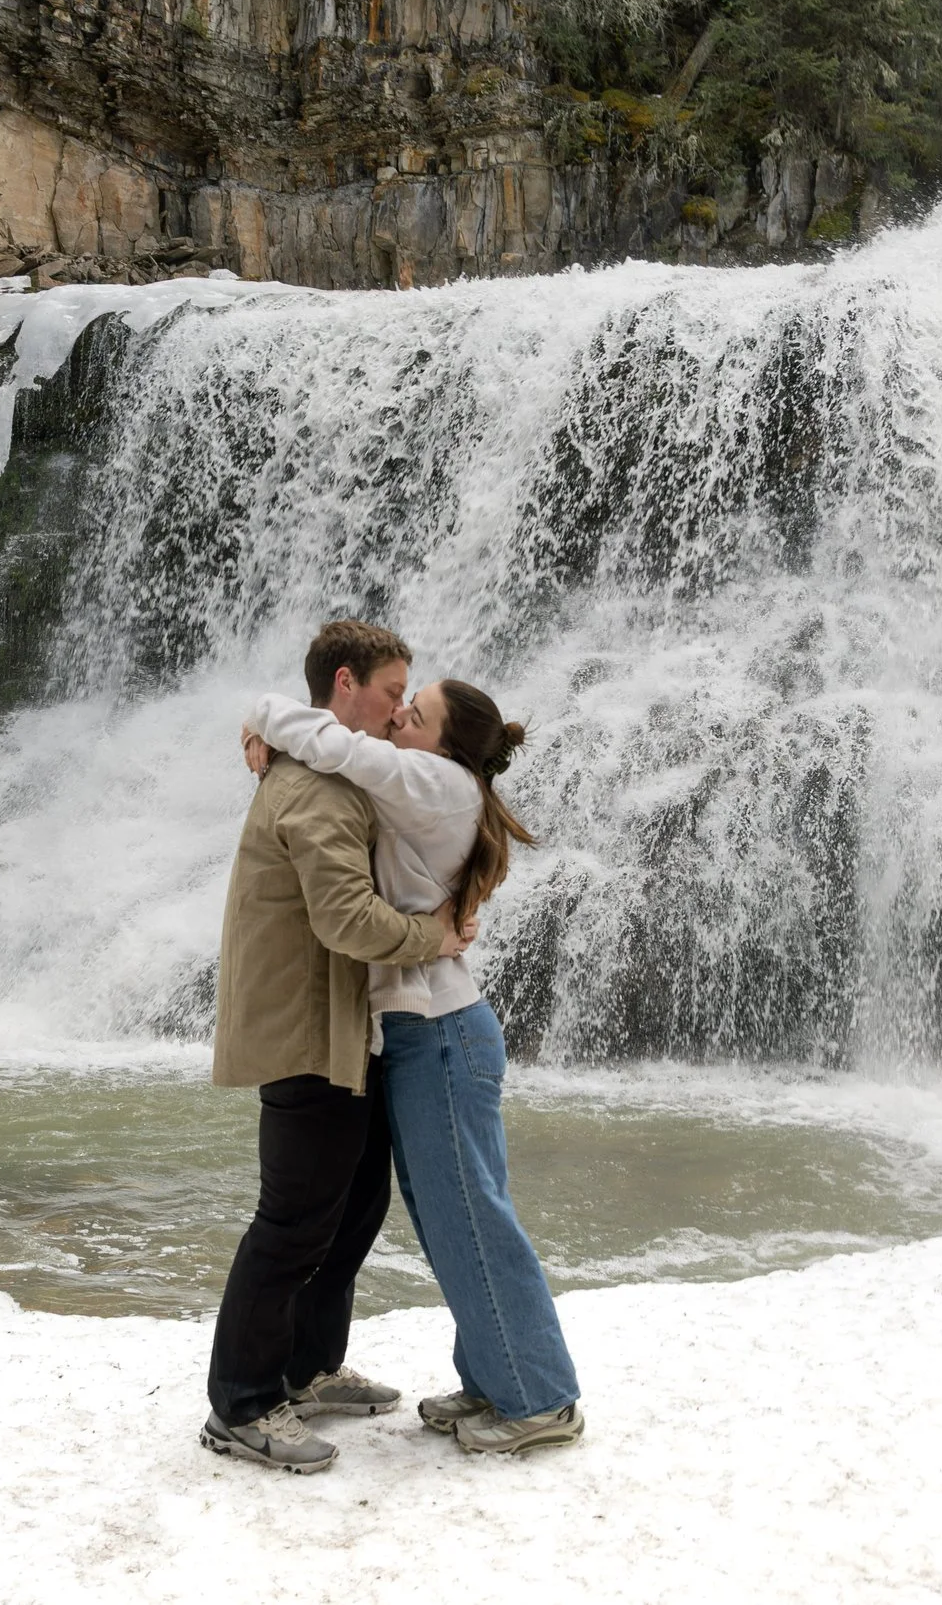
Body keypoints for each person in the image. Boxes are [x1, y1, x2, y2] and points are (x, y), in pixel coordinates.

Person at [239, 672, 583, 1455]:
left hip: (442, 1035)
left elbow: (333, 742)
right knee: (451, 1220)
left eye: (416, 712)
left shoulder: (435, 779)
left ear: (446, 744)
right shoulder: (441, 782)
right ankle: (497, 1376)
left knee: (472, 1217)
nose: (400, 714)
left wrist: (260, 714)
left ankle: (540, 1398)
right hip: (428, 1034)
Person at [201, 619, 476, 1474]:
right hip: (302, 1032)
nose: (400, 715)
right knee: (292, 1220)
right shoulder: (317, 789)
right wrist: (435, 936)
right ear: (347, 683)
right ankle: (240, 1404)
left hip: (341, 1028)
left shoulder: (325, 765)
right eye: (395, 694)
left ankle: (309, 1365)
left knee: (354, 1205)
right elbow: (346, 920)